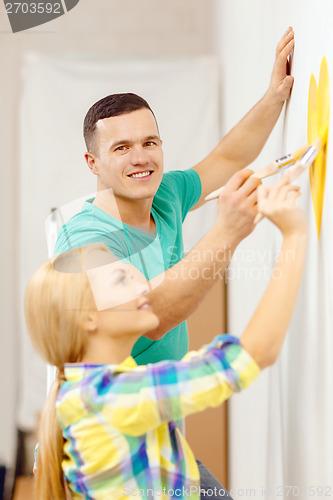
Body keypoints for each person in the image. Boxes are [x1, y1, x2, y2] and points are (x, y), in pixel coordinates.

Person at [53, 28, 295, 497]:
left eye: (150, 142)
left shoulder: (165, 196)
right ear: (93, 162)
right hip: (122, 452)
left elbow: (227, 157)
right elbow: (153, 318)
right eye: (121, 148)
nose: (141, 158)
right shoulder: (85, 239)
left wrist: (274, 96)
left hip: (164, 438)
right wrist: (227, 232)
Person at [28, 175, 308, 500]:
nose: (143, 283)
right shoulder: (115, 396)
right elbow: (255, 353)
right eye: (122, 278)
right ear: (89, 318)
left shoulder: (85, 394)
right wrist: (294, 233)